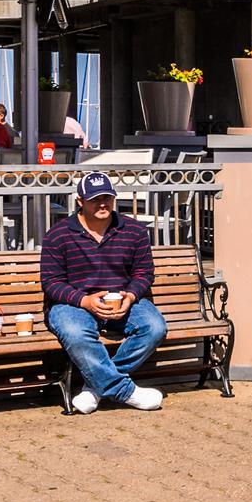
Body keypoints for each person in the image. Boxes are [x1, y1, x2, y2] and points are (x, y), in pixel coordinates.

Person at [40, 170, 166, 413]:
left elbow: (144, 273)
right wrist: (84, 300)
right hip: (74, 303)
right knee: (75, 332)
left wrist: (129, 296)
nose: (102, 204)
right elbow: (51, 282)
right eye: (95, 199)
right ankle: (125, 391)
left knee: (155, 327)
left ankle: (94, 388)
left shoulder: (134, 230)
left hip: (121, 298)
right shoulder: (58, 235)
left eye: (107, 197)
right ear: (80, 202)